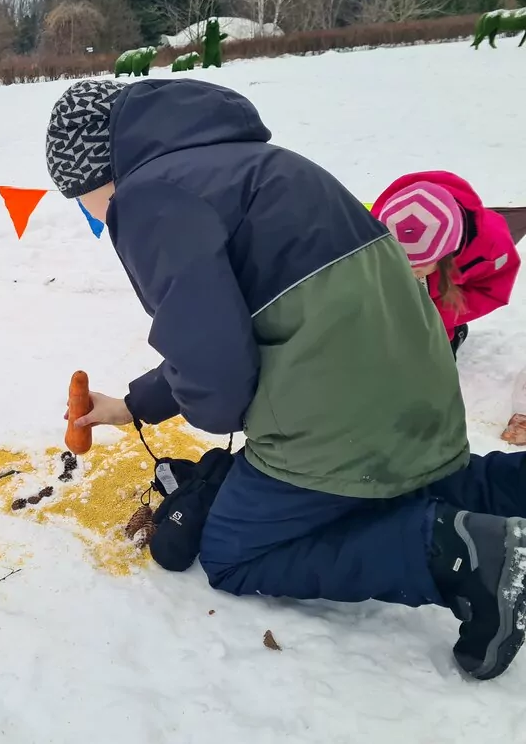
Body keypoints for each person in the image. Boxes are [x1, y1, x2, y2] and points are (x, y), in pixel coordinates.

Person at [45, 77, 526, 680]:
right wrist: (135, 405)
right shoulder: (252, 163)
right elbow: (239, 325)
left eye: (80, 199)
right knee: (422, 480)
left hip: (341, 415)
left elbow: (218, 378)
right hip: (419, 393)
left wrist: (212, 409)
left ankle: (457, 556)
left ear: (93, 175)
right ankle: (503, 505)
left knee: (236, 552)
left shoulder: (148, 197)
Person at [370, 171, 521, 357]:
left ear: (445, 254)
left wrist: (437, 317)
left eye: (417, 268)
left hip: (444, 309)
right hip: (394, 307)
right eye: (401, 264)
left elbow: (489, 292)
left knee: (429, 359)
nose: (410, 273)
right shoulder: (376, 228)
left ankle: (452, 337)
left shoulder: (491, 248)